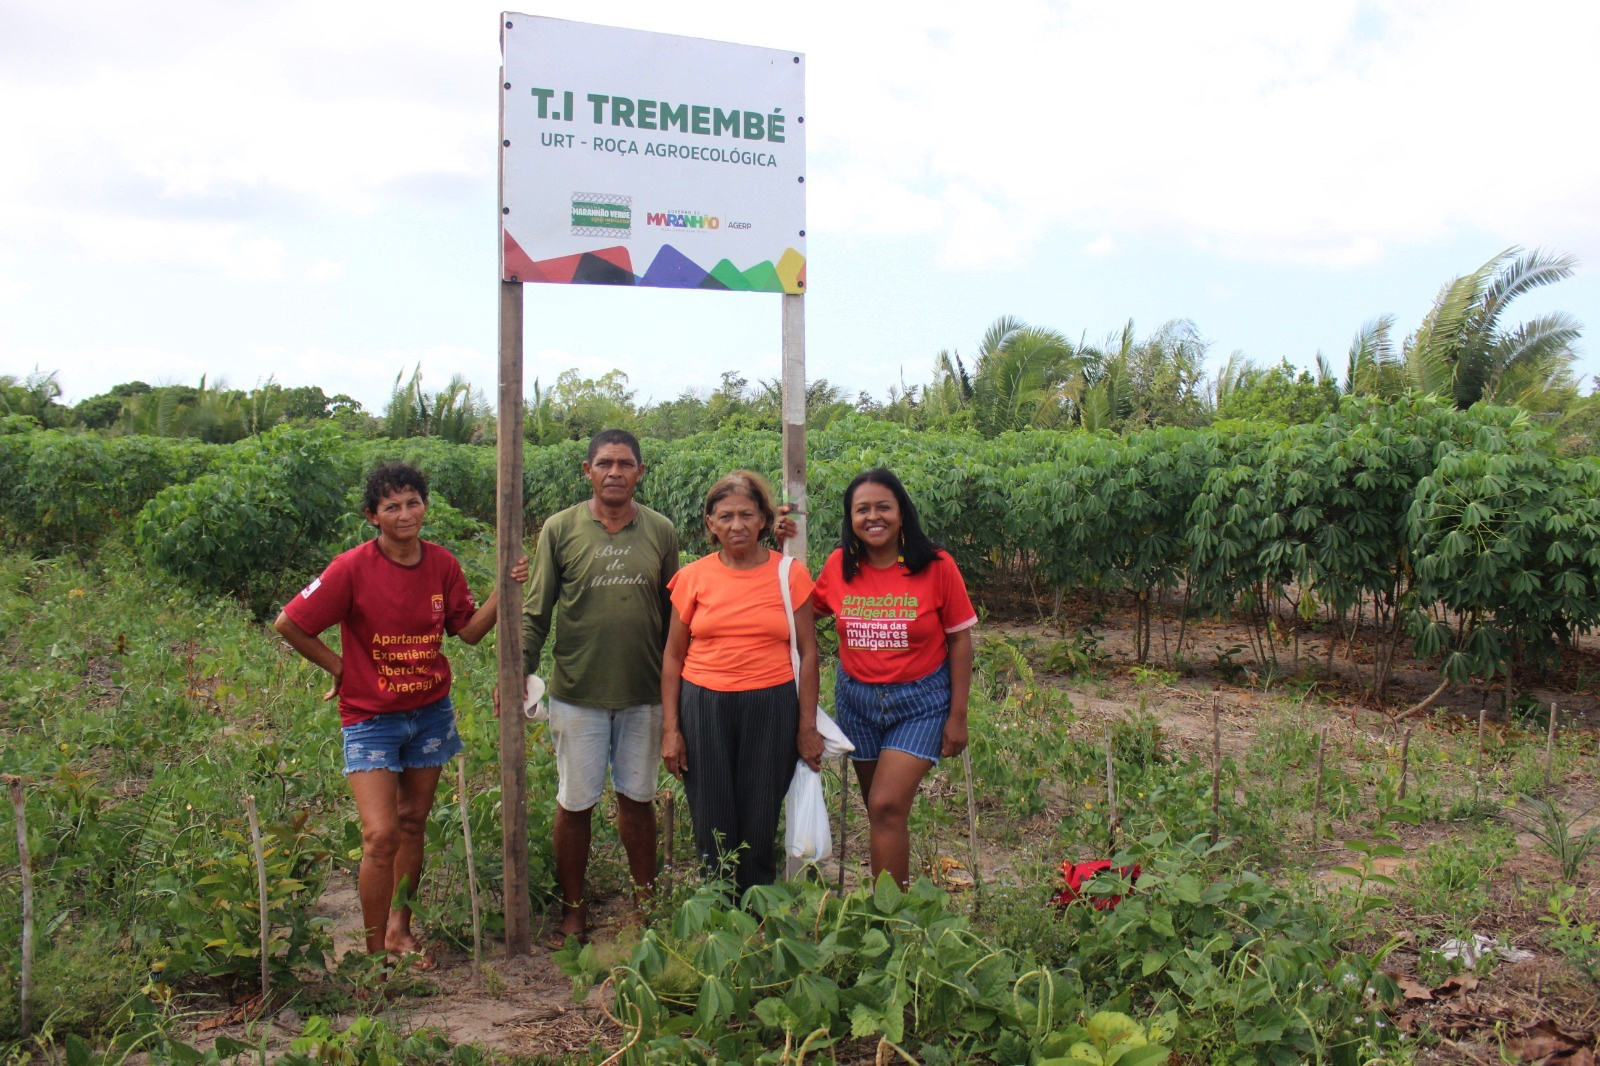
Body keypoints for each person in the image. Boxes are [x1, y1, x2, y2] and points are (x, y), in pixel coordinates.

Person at [274, 461, 526, 966]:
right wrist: (339, 667)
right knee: (379, 835)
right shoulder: (351, 568)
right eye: (392, 507)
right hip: (370, 718)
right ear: (373, 516)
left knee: (412, 824)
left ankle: (399, 930)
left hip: (429, 714)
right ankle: (372, 959)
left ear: (425, 506)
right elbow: (289, 623)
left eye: (413, 503)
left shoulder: (442, 564)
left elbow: (469, 632)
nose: (405, 514)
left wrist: (506, 586)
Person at [520, 429, 679, 948]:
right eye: (605, 463)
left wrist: (680, 690)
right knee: (575, 803)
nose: (615, 472)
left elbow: (675, 618)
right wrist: (518, 670)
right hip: (577, 691)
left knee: (638, 799)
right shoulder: (560, 529)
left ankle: (644, 904)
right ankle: (573, 909)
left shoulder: (661, 530)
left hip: (644, 692)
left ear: (640, 472)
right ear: (587, 471)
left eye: (625, 463)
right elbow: (537, 610)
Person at [660, 470, 823, 897]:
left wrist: (807, 726)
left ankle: (757, 907)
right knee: (711, 815)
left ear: (764, 519)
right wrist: (671, 730)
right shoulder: (693, 577)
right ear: (710, 523)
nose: (737, 525)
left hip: (771, 705)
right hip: (705, 706)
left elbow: (809, 653)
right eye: (726, 516)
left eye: (747, 515)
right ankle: (718, 907)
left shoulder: (790, 574)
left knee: (760, 813)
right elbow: (673, 656)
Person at [810, 468, 975, 888]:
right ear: (850, 518)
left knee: (886, 804)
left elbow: (959, 640)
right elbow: (802, 612)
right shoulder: (840, 565)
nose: (873, 517)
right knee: (879, 809)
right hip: (857, 701)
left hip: (920, 702)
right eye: (861, 509)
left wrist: (958, 716)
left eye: (883, 507)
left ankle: (890, 912)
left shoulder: (935, 565)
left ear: (901, 512)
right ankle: (887, 905)